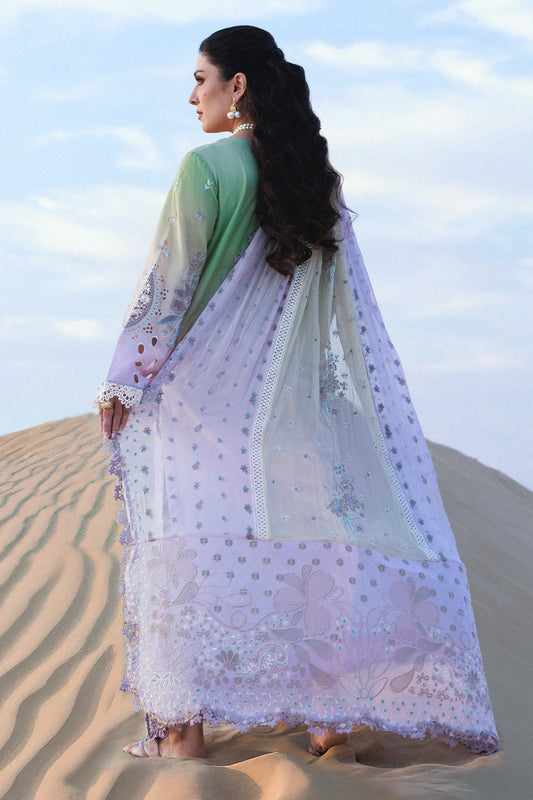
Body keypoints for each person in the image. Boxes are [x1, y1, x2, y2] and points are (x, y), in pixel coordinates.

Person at [96, 25, 498, 760]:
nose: (193, 96)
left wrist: (125, 376)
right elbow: (342, 307)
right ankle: (326, 719)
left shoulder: (205, 167)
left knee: (184, 547)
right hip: (291, 401)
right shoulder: (317, 182)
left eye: (200, 79)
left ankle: (182, 735)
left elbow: (169, 282)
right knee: (310, 541)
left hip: (201, 398)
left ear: (237, 85)